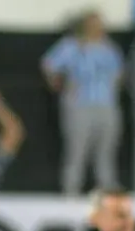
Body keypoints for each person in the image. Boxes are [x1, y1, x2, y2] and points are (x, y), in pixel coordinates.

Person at [41, 12, 124, 195]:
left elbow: (119, 73)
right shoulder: (71, 45)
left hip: (106, 105)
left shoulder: (109, 48)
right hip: (80, 105)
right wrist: (59, 84)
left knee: (106, 151)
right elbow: (48, 64)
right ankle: (71, 191)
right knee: (77, 150)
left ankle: (107, 189)